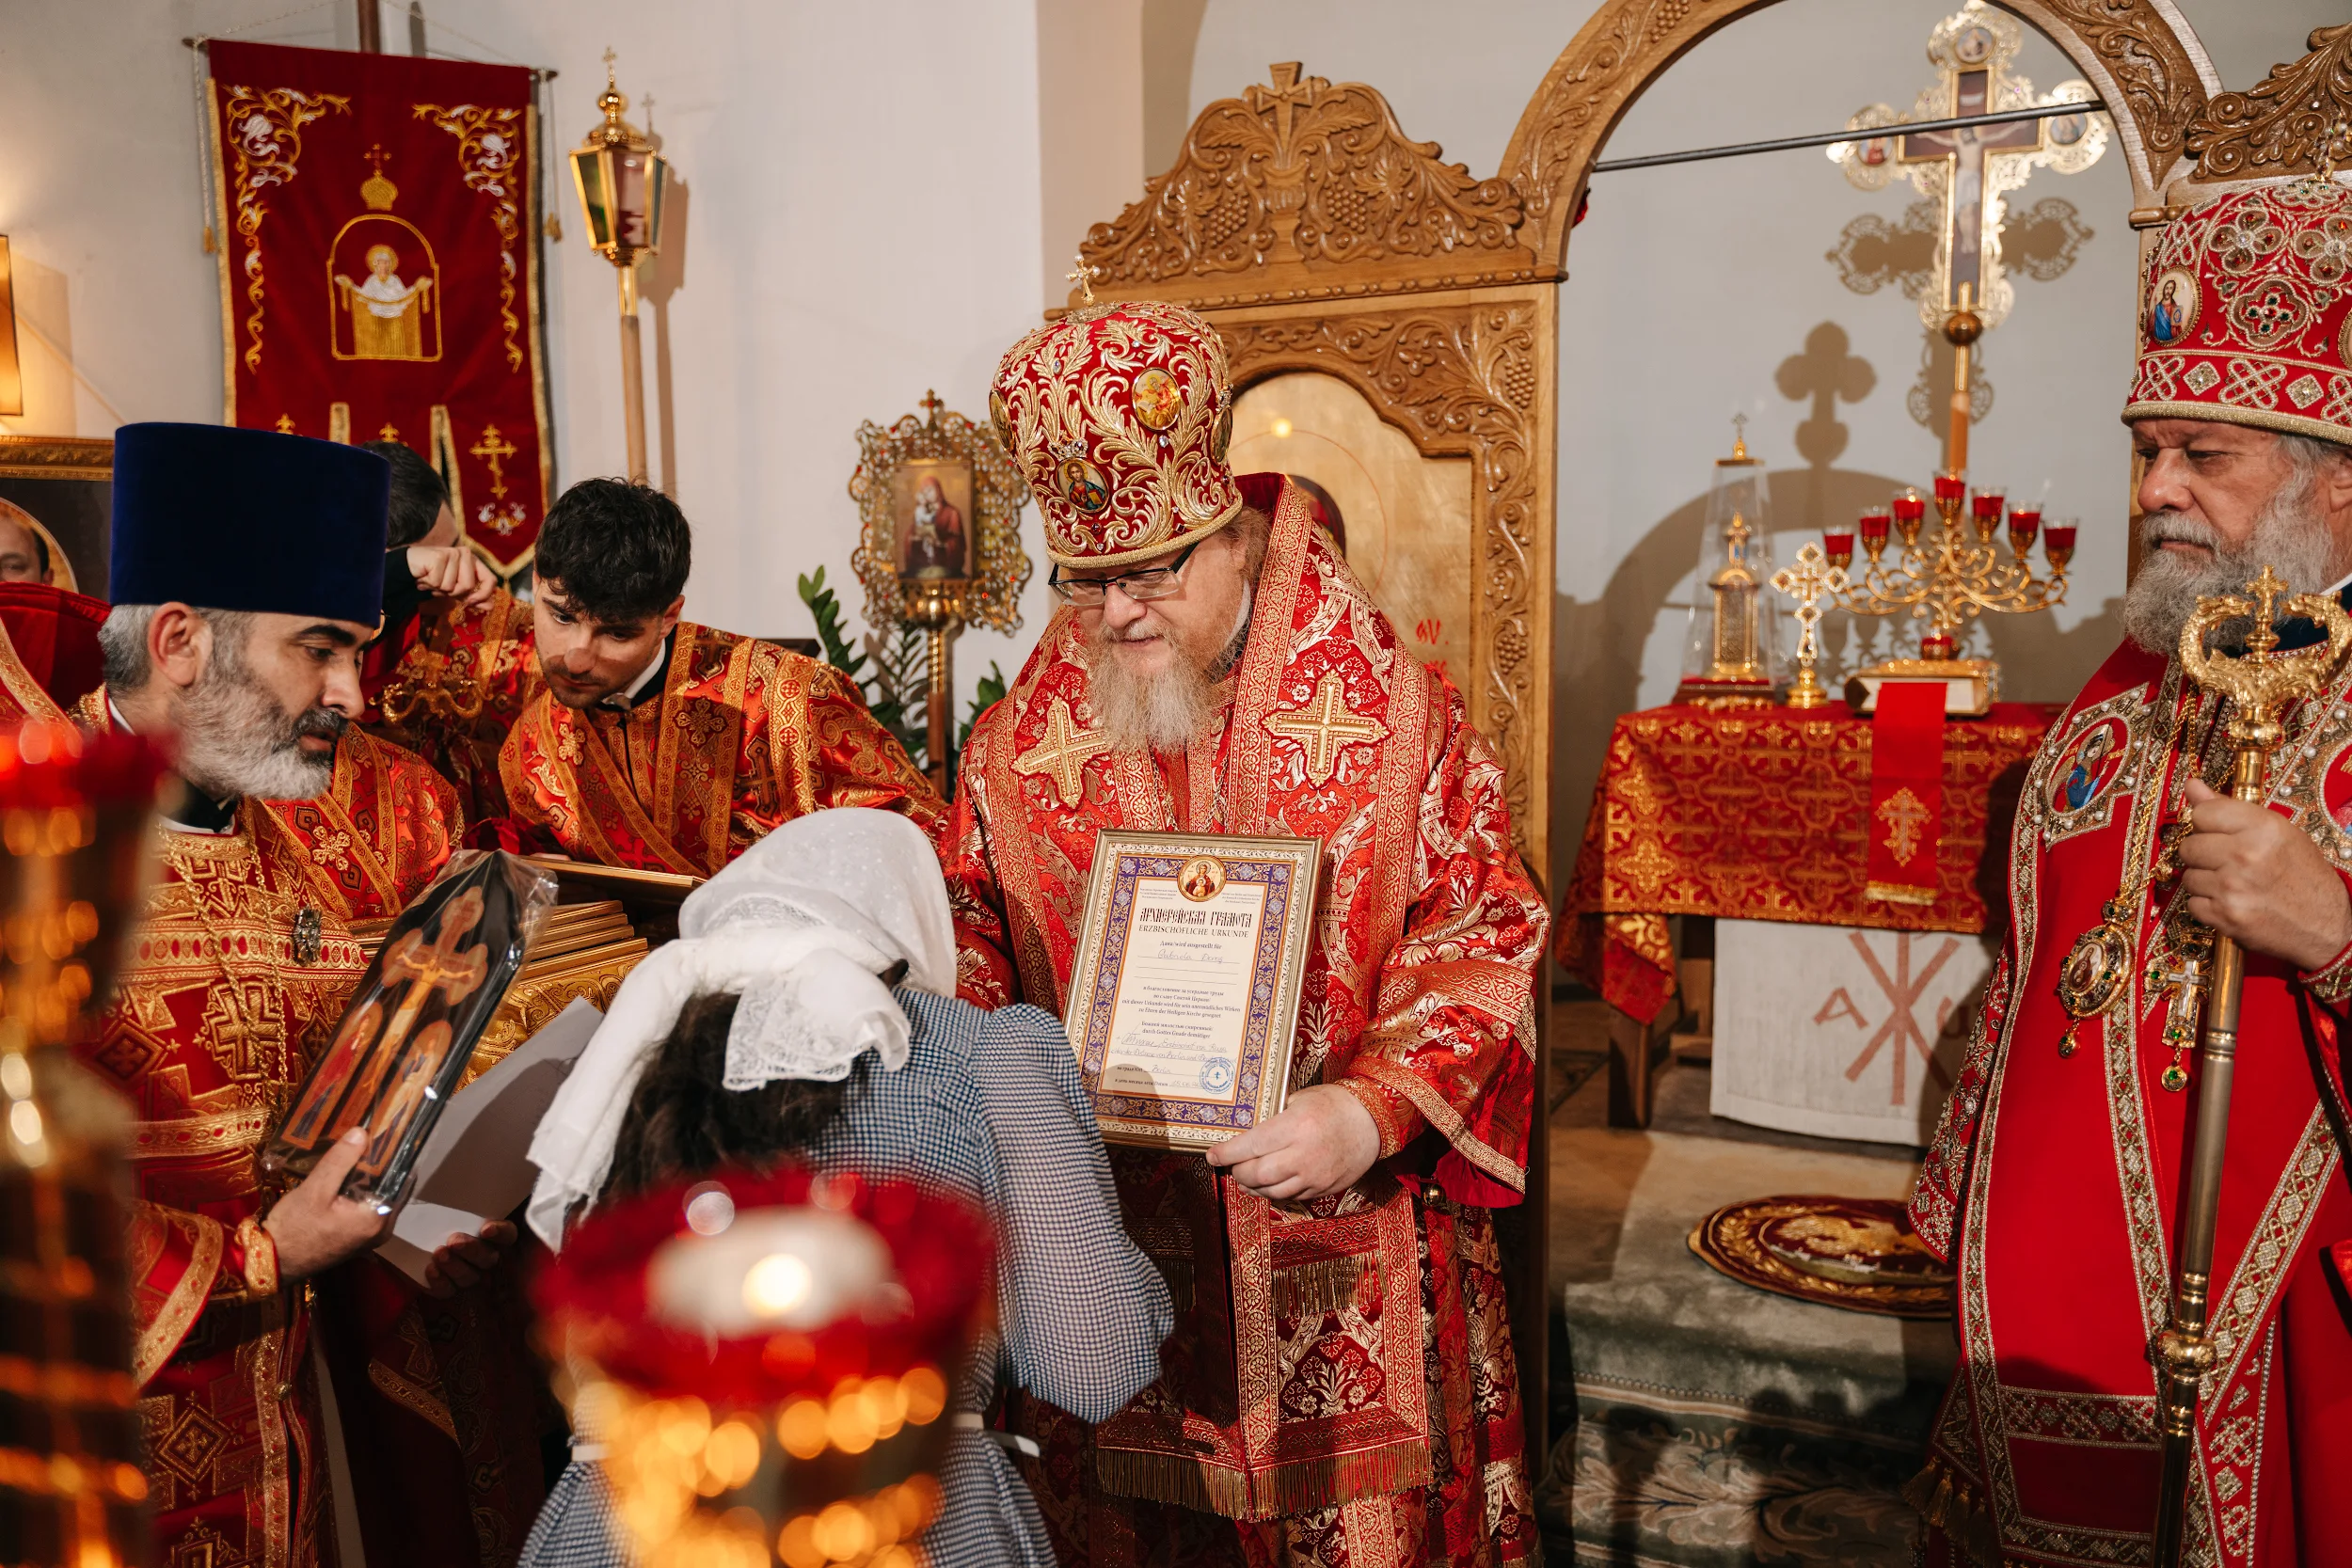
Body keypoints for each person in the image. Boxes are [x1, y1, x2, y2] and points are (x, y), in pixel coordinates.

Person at [947, 301, 1548, 1563]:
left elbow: (1483, 924)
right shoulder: (1016, 747)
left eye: (1151, 572)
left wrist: (1369, 1109)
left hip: (1341, 1241)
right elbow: (968, 930)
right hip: (1107, 1253)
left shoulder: (1392, 714)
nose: (1116, 615)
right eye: (1087, 580)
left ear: (1230, 531)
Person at [1909, 173, 2352, 1564]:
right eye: (2150, 449)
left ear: (2338, 473)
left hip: (2290, 1331)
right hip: (2049, 1320)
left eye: (2202, 453)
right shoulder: (2130, 682)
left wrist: (2336, 936)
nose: (2154, 489)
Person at [86, 422, 543, 1568]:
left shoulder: (331, 820)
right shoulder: (34, 850)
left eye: (360, 649)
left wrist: (424, 1212)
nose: (351, 691)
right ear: (181, 640)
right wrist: (258, 1256)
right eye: (321, 648)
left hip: (298, 1426)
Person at [519, 809, 1172, 1567]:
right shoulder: (985, 1053)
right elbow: (1095, 1364)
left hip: (633, 1523)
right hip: (896, 1508)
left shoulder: (628, 1049)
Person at [487, 478, 943, 875]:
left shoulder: (790, 702)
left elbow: (920, 845)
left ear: (668, 618)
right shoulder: (534, 743)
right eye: (562, 617)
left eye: (617, 633)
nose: (577, 658)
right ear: (537, 582)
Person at [357, 438, 537, 824]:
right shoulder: (326, 632)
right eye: (430, 570)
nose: (457, 576)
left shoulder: (520, 634)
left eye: (456, 547)